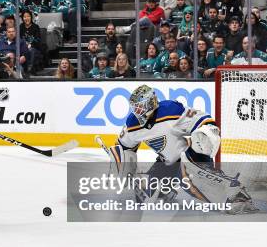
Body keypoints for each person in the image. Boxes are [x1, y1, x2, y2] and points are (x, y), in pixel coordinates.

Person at [103, 85, 257, 214]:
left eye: (140, 106)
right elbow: (124, 147)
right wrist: (120, 162)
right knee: (143, 195)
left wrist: (206, 131)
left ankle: (235, 193)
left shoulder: (169, 110)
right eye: (135, 108)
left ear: (151, 102)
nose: (137, 111)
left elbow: (202, 119)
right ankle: (166, 188)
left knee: (188, 181)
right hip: (168, 162)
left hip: (190, 155)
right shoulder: (132, 124)